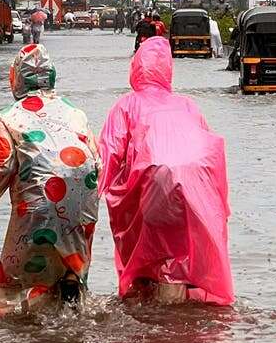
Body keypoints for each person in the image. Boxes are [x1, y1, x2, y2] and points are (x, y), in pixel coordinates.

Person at [98, 36, 234, 305]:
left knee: (154, 254)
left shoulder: (126, 105)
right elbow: (212, 154)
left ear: (136, 68)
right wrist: (221, 206)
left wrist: (91, 195)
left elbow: (108, 155)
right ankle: (181, 326)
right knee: (181, 256)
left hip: (154, 188)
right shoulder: (187, 105)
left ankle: (159, 328)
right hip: (197, 193)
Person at [0, 44, 99, 314]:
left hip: (37, 202)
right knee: (69, 266)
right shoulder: (76, 113)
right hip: (83, 203)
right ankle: (71, 289)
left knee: (13, 288)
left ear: (16, 77)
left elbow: (4, 167)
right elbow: (96, 161)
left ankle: (23, 340)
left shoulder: (8, 117)